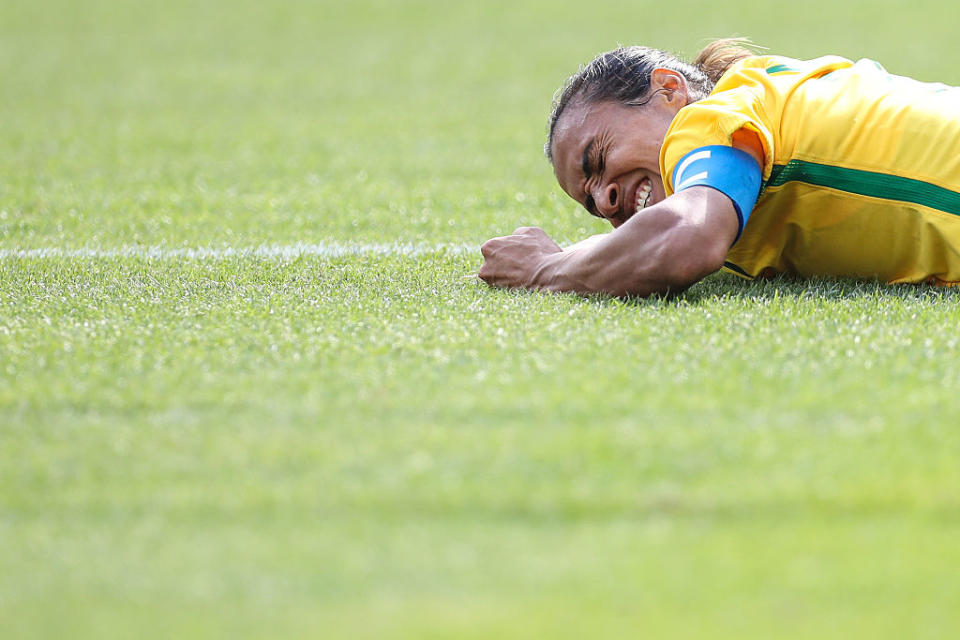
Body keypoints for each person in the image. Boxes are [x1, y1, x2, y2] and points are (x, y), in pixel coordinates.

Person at [478, 39, 960, 297]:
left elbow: (687, 240)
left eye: (598, 159)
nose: (605, 201)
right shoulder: (769, 93)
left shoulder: (706, 120)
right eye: (590, 201)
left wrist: (545, 269)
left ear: (669, 91)